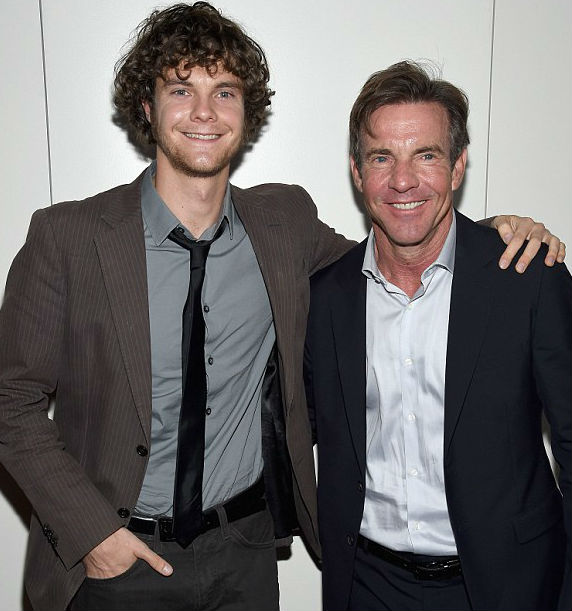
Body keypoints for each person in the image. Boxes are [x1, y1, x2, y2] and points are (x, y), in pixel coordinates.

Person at [0, 4, 564, 610]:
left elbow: (398, 254)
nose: (203, 113)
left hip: (243, 557)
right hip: (114, 561)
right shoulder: (69, 237)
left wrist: (495, 234)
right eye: (180, 89)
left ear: (246, 112)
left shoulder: (283, 225)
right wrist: (94, 534)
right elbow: (10, 398)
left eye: (224, 91)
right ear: (146, 106)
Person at [304, 60, 571, 611]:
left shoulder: (527, 278)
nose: (403, 180)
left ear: (457, 166)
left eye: (425, 155)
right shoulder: (325, 298)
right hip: (367, 586)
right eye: (382, 157)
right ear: (358, 172)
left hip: (505, 586)